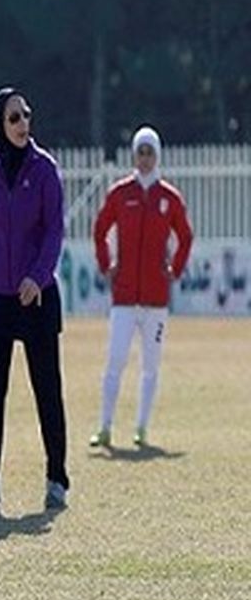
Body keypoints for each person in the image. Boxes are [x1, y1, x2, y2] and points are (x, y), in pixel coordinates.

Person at [0, 87, 70, 511]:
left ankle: (57, 479)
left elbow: (53, 231)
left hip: (36, 300)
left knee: (47, 391)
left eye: (26, 115)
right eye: (13, 118)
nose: (23, 124)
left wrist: (37, 277)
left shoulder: (45, 169)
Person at [89, 126, 194, 448]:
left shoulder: (169, 197)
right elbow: (100, 228)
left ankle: (141, 428)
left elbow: (186, 236)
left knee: (150, 366)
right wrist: (107, 265)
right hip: (124, 298)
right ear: (134, 155)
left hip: (156, 299)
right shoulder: (121, 193)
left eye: (150, 152)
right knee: (115, 361)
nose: (146, 158)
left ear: (157, 155)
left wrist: (173, 270)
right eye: (141, 152)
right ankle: (105, 427)